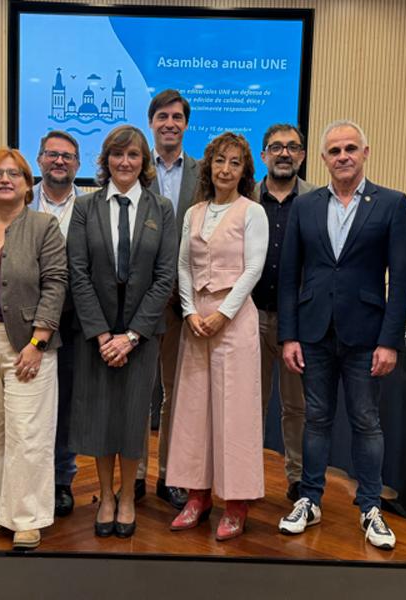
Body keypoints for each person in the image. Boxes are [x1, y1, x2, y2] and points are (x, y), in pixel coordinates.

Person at [277, 120, 406, 550]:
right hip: (314, 332)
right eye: (334, 151)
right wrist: (289, 336)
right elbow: (289, 278)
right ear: (322, 159)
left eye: (350, 148)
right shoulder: (306, 205)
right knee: (315, 419)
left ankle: (370, 507)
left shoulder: (392, 204)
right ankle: (310, 499)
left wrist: (390, 341)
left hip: (367, 336)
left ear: (365, 152)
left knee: (366, 422)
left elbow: (403, 279)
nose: (342, 157)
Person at [67, 125, 177, 538]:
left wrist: (131, 336)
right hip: (95, 334)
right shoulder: (85, 207)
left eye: (133, 155)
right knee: (99, 416)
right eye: (117, 155)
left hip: (141, 335)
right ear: (106, 160)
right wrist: (100, 335)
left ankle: (128, 496)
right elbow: (77, 273)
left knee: (132, 417)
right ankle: (106, 495)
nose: (125, 162)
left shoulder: (161, 208)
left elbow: (164, 277)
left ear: (143, 161)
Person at [0, 147, 67, 550]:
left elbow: (56, 283)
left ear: (27, 183)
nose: (5, 180)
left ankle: (25, 517)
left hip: (27, 342)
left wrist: (38, 341)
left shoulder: (44, 226)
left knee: (27, 432)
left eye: (14, 174)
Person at [166, 132, 268, 541]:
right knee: (193, 411)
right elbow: (183, 268)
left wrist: (223, 315)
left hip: (234, 318)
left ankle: (236, 504)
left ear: (245, 171)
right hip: (196, 321)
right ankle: (197, 496)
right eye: (219, 161)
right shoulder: (193, 213)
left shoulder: (251, 212)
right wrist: (190, 311)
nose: (225, 169)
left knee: (235, 413)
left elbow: (253, 269)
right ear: (208, 166)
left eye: (235, 163)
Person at [137, 89, 201, 509]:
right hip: (140, 299)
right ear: (152, 122)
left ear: (185, 123)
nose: (170, 124)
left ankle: (170, 476)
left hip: (185, 300)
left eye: (177, 117)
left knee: (176, 392)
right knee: (140, 390)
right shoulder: (134, 167)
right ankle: (137, 475)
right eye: (162, 116)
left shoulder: (202, 172)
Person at [251, 124, 316, 503]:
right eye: (276, 147)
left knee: (297, 406)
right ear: (263, 156)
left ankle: (297, 477)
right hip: (250, 316)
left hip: (298, 322)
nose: (284, 153)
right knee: (250, 403)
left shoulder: (316, 200)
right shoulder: (246, 197)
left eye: (293, 147)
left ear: (303, 156)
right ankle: (246, 478)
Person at [29, 130, 83, 518]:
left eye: (66, 156)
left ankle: (62, 479)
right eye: (52, 154)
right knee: (26, 404)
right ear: (39, 159)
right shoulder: (19, 200)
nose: (59, 161)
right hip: (25, 320)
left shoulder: (92, 206)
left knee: (65, 403)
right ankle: (28, 480)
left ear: (78, 165)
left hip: (75, 321)